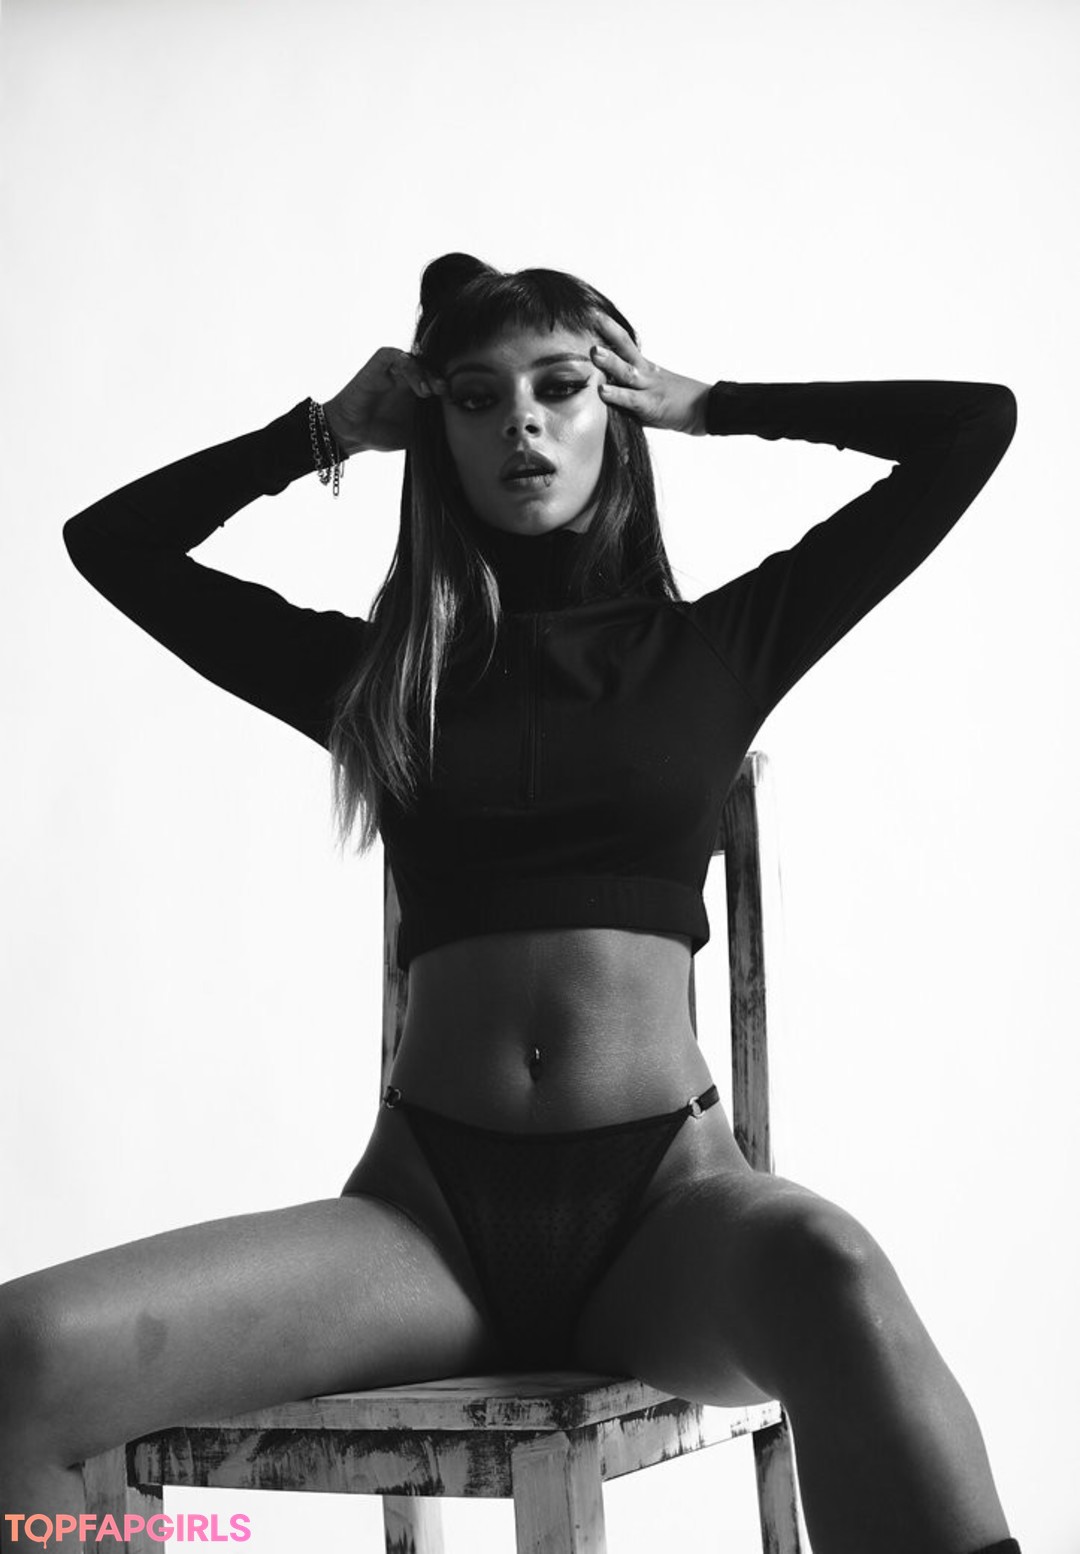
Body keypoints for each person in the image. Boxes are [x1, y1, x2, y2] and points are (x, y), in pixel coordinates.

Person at [1, 253, 1019, 1554]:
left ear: (615, 410)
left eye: (560, 387)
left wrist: (710, 404)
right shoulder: (384, 677)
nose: (521, 424)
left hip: (667, 1208)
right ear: (440, 433)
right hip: (424, 1229)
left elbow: (970, 428)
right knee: (23, 1357)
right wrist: (323, 432)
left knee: (837, 1272)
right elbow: (111, 544)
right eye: (477, 398)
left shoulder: (719, 651)